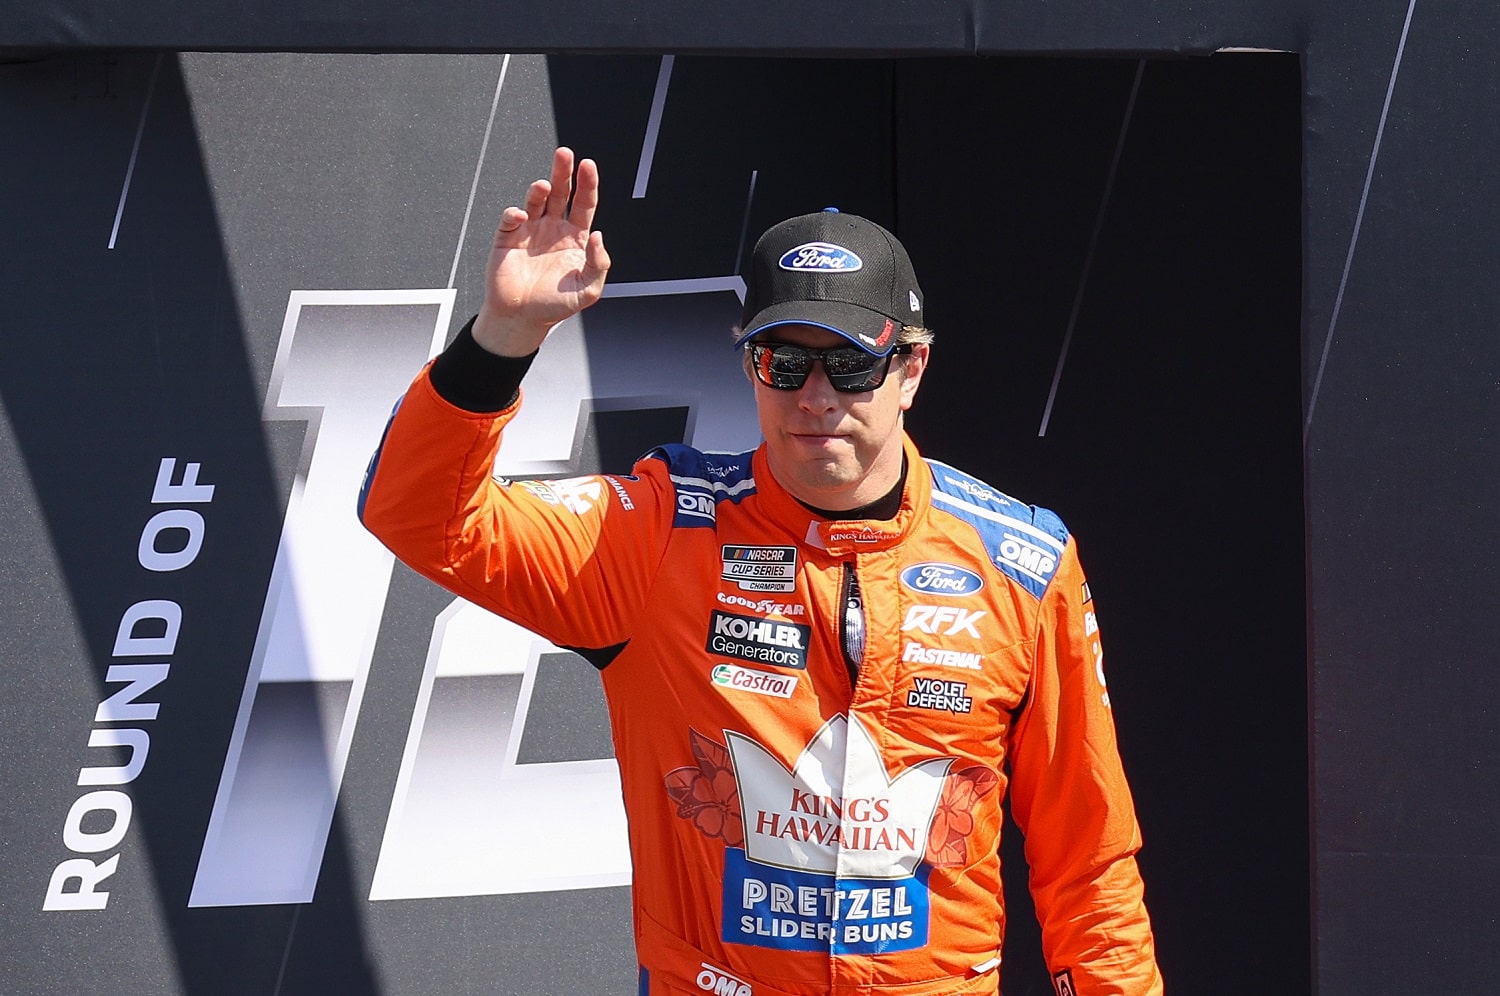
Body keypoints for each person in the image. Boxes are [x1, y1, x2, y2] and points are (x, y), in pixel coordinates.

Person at [360, 147, 1162, 995]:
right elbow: (417, 516)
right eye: (786, 362)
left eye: (850, 365)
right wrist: (504, 338)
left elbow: (1091, 863)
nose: (815, 396)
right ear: (751, 369)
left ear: (911, 371)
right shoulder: (660, 530)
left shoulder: (1021, 564)